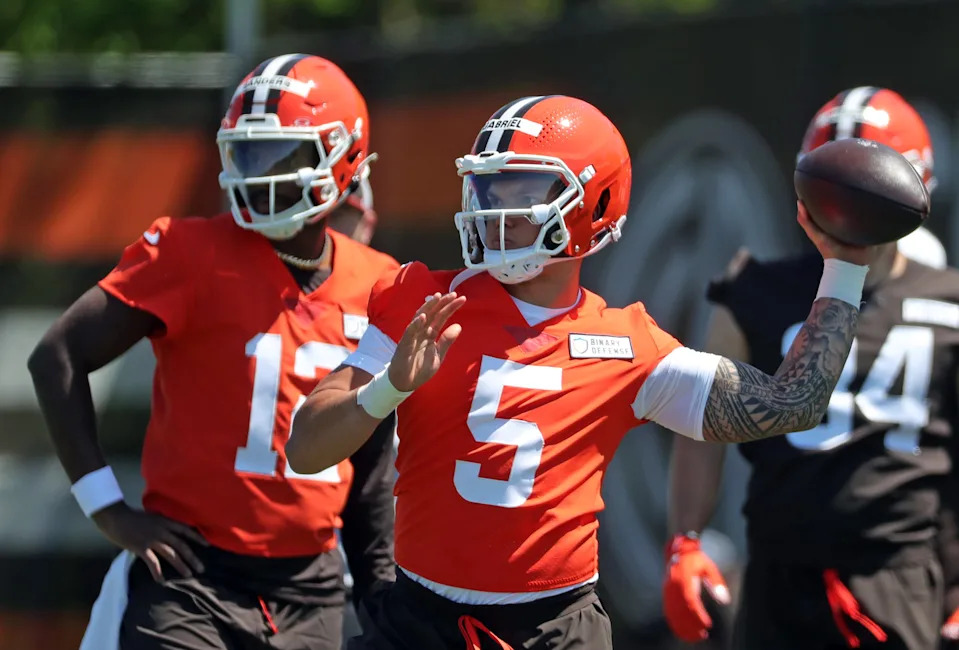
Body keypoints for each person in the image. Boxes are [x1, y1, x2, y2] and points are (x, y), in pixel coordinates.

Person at [284, 94, 876, 650]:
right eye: (487, 189)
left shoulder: (626, 345)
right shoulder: (423, 301)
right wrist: (389, 387)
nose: (494, 211)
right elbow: (306, 449)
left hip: (555, 628)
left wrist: (845, 269)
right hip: (419, 621)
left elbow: (792, 403)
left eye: (517, 189)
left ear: (592, 206)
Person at [27, 53, 398, 650]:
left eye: (283, 155)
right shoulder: (187, 251)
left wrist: (379, 584)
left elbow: (372, 457)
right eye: (249, 154)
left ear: (344, 154)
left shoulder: (378, 282)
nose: (261, 175)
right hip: (192, 577)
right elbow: (57, 357)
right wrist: (109, 511)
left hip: (312, 585)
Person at [662, 86, 959, 650]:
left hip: (899, 569)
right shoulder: (754, 289)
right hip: (780, 567)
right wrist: (686, 539)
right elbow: (698, 425)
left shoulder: (949, 301)